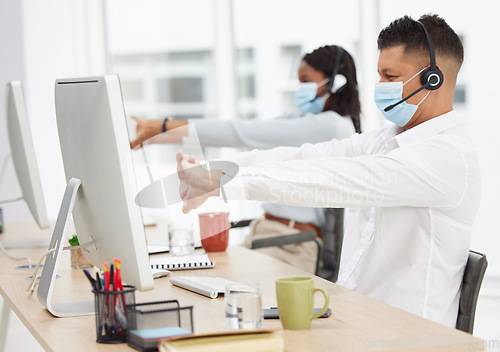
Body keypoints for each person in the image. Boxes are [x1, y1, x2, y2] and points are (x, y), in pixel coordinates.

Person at [175, 14, 480, 327]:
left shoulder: (446, 156)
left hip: (406, 337)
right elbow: (308, 158)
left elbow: (335, 179)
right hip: (357, 320)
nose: (380, 87)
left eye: (390, 76)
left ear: (434, 78)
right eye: (379, 76)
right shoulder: (388, 139)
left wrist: (223, 185)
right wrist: (217, 171)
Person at [131, 45, 361, 273]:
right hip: (266, 233)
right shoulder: (305, 119)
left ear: (335, 83)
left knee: (216, 281)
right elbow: (244, 132)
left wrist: (160, 126)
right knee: (199, 273)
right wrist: (156, 136)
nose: (301, 88)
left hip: (292, 245)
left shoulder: (332, 126)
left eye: (306, 80)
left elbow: (241, 131)